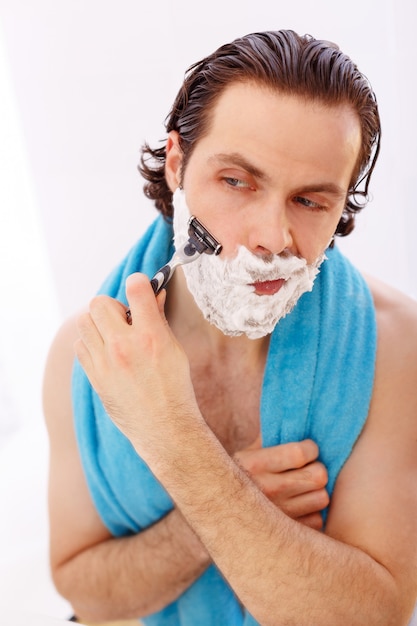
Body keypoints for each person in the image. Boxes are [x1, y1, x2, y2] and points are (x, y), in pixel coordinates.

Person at [43, 30, 417, 626]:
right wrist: (222, 513)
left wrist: (181, 448)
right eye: (237, 181)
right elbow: (85, 594)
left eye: (311, 201)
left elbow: (376, 614)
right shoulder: (84, 355)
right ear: (176, 164)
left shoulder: (393, 346)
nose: (272, 236)